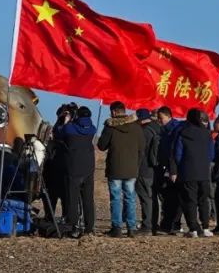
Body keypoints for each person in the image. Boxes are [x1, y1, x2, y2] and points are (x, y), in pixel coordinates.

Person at [97, 101, 145, 237]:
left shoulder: (110, 127)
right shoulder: (136, 127)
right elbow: (142, 148)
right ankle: (131, 228)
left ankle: (117, 228)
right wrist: (137, 164)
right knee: (130, 198)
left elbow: (101, 146)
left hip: (115, 168)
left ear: (113, 112)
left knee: (115, 198)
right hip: (131, 168)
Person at [55, 106, 96, 238]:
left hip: (73, 167)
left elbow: (58, 133)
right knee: (88, 198)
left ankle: (73, 226)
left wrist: (66, 120)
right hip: (88, 167)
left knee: (72, 198)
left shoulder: (70, 128)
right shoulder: (92, 129)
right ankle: (89, 227)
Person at [173, 108, 215, 238]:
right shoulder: (207, 134)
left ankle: (193, 230)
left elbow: (178, 154)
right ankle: (206, 227)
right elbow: (211, 154)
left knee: (190, 201)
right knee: (203, 200)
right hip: (204, 172)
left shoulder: (183, 133)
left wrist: (180, 167)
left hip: (188, 171)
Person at [155, 106, 184, 234]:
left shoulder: (175, 130)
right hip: (165, 167)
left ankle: (172, 224)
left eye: (161, 118)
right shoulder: (164, 130)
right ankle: (169, 223)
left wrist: (173, 170)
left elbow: (174, 152)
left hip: (173, 169)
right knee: (167, 197)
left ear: (168, 116)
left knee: (172, 198)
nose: (159, 121)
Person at [134, 109, 161, 231]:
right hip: (156, 169)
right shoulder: (158, 128)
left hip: (144, 168)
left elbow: (139, 151)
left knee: (145, 198)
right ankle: (154, 224)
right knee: (153, 197)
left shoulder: (143, 131)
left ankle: (147, 225)